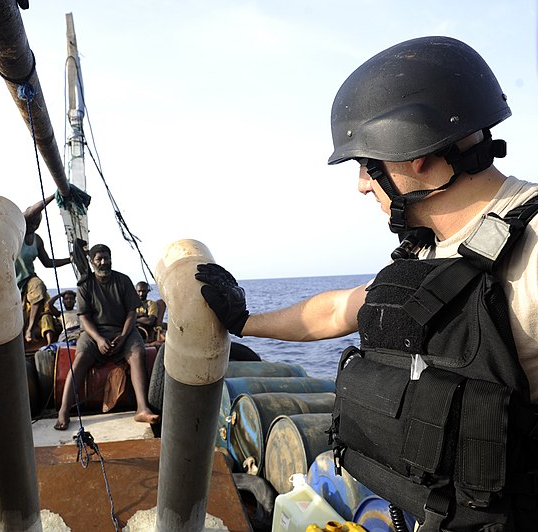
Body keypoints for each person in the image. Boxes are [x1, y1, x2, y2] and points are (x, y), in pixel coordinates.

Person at [196, 36, 538, 531]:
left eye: (367, 164)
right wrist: (244, 319)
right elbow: (341, 311)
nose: (361, 184)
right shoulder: (429, 249)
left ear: (412, 152)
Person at [55, 244, 159, 430]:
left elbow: (131, 313)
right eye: (99, 259)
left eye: (106, 258)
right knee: (80, 358)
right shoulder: (85, 285)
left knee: (137, 353)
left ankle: (142, 408)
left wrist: (124, 335)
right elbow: (84, 318)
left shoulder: (123, 280)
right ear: (92, 262)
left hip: (123, 329)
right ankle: (63, 410)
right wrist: (98, 339)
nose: (104, 262)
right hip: (95, 332)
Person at [16, 194, 71, 348]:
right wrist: (55, 195)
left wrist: (70, 259)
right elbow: (30, 212)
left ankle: (30, 330)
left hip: (28, 279)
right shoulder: (16, 234)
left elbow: (47, 263)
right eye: (31, 222)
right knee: (18, 312)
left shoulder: (37, 240)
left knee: (39, 288)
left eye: (37, 223)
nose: (33, 226)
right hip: (12, 282)